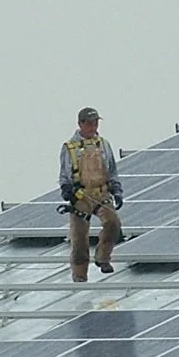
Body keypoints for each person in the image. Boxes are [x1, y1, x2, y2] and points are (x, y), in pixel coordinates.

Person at [59, 106, 124, 282]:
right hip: (80, 196)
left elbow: (112, 170)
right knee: (79, 239)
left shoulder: (103, 144)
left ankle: (103, 257)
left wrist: (117, 190)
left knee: (113, 224)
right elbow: (64, 174)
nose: (93, 127)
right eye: (89, 123)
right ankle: (80, 276)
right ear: (80, 124)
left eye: (95, 123)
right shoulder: (70, 147)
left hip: (102, 193)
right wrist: (67, 191)